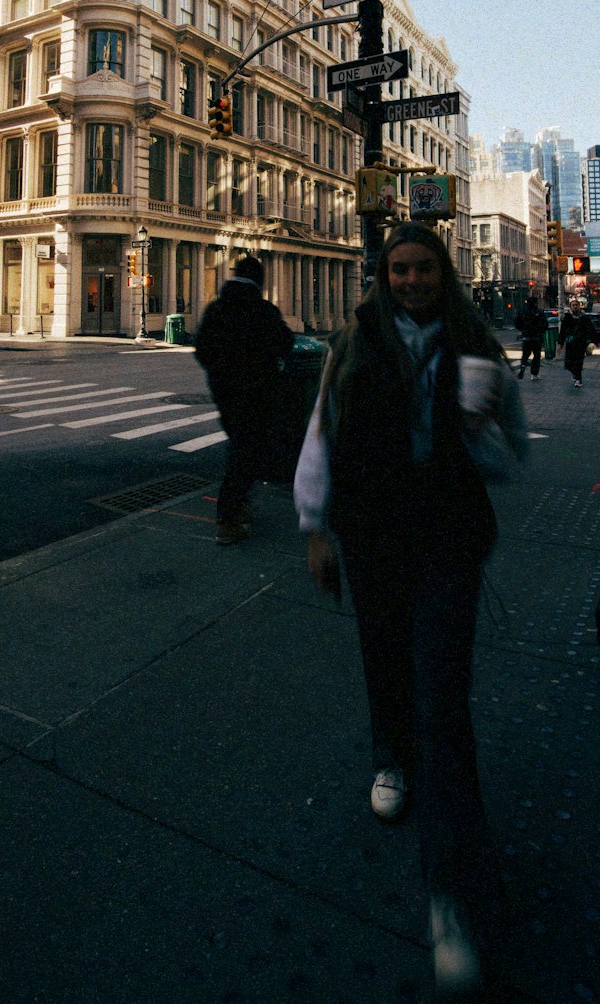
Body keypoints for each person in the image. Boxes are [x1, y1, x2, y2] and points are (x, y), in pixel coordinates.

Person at [293, 223, 528, 994]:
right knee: (385, 660)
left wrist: (477, 425)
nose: (411, 281)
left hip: (450, 540)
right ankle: (389, 758)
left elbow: (509, 457)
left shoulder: (477, 345)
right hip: (373, 535)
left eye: (423, 268)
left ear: (444, 273)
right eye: (398, 269)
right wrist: (315, 526)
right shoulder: (352, 343)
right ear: (382, 275)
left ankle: (452, 897)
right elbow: (321, 434)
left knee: (444, 704)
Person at [194, 254, 294, 545]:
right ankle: (229, 517)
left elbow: (201, 347)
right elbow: (284, 343)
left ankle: (237, 507)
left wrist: (219, 373)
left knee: (240, 448)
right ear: (259, 281)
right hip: (257, 394)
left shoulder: (217, 309)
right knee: (245, 454)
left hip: (225, 393)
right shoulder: (263, 311)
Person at [557, 298, 599, 388]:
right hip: (570, 343)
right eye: (573, 305)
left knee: (579, 361)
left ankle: (578, 379)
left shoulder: (584, 317)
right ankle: (574, 373)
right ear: (570, 307)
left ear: (579, 306)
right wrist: (560, 344)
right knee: (569, 362)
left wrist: (594, 341)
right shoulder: (567, 318)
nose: (575, 307)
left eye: (576, 305)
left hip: (580, 343)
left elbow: (591, 329)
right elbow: (563, 331)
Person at [514, 295, 547, 380]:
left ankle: (522, 367)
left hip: (526, 337)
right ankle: (534, 374)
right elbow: (545, 324)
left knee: (525, 355)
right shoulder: (539, 312)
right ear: (536, 303)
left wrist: (523, 330)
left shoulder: (522, 312)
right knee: (536, 356)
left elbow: (516, 323)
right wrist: (540, 331)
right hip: (536, 337)